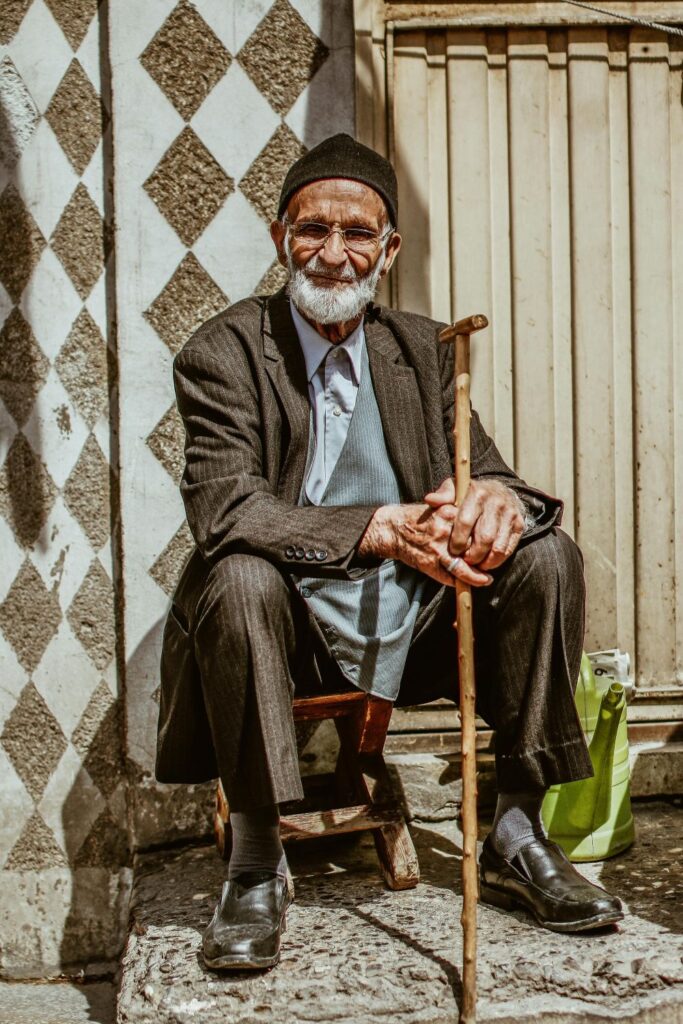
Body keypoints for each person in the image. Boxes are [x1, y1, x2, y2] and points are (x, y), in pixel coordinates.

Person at [156, 133, 622, 970]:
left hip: (412, 624)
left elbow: (487, 473)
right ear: (281, 238)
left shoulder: (422, 350)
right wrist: (375, 528)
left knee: (547, 555)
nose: (333, 254)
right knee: (237, 577)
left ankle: (516, 833)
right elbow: (225, 509)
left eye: (357, 234)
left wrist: (496, 504)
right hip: (290, 628)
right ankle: (256, 860)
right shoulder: (221, 353)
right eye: (312, 230)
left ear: (388, 248)